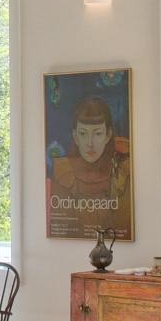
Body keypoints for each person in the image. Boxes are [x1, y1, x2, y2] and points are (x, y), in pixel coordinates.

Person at [51, 96, 128, 233]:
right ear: (75, 136)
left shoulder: (123, 172)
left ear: (108, 135)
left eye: (98, 133)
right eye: (83, 133)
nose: (90, 143)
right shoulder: (63, 173)